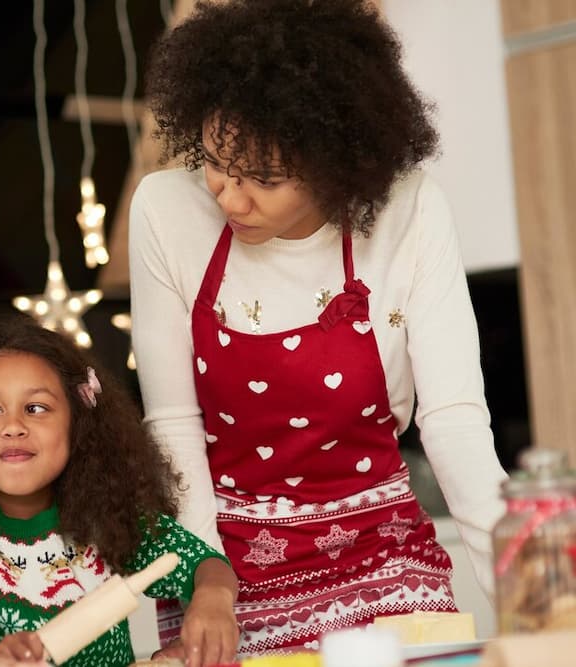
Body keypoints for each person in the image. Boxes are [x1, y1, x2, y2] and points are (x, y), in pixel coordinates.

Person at [128, 0, 508, 656]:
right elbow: (172, 425)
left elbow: (453, 424)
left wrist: (530, 592)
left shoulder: (409, 210)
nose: (229, 196)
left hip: (380, 554)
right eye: (217, 159)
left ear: (338, 167)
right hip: (223, 558)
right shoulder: (166, 210)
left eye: (265, 179)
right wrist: (204, 577)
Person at [0, 316, 240, 667]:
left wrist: (212, 598)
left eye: (35, 408)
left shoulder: (101, 513)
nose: (12, 427)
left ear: (77, 426)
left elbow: (201, 564)